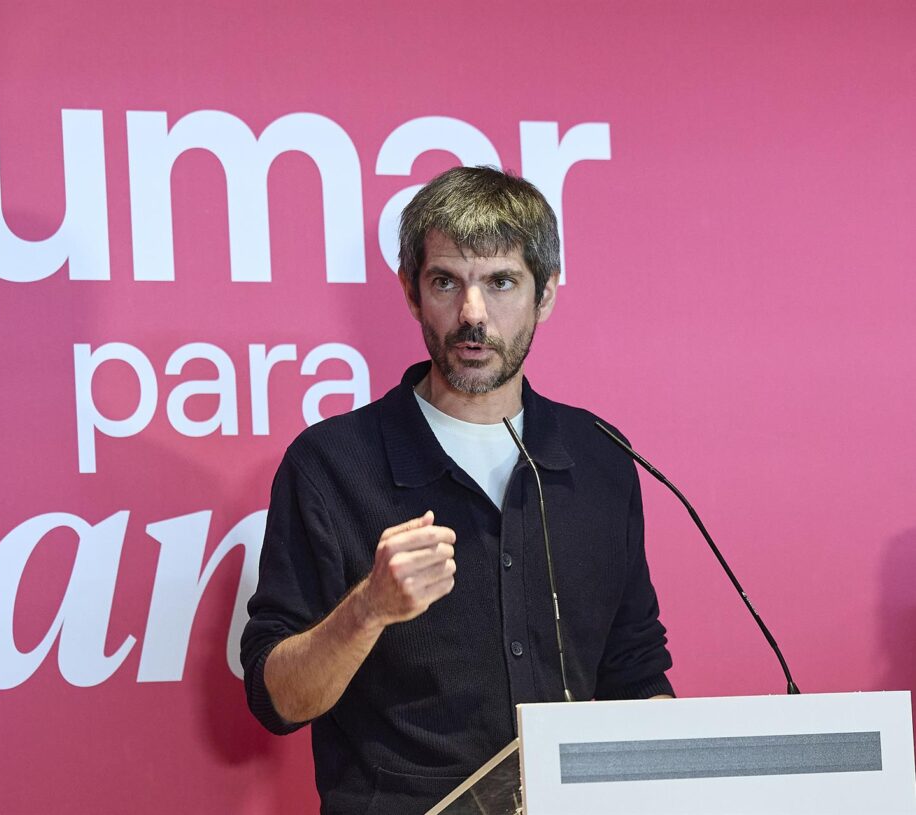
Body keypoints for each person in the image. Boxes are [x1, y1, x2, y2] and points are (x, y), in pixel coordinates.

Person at [240, 165, 673, 815]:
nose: (473, 315)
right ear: (414, 295)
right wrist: (370, 608)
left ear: (546, 293)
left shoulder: (599, 456)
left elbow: (635, 675)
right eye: (447, 282)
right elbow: (278, 699)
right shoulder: (331, 465)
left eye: (501, 282)